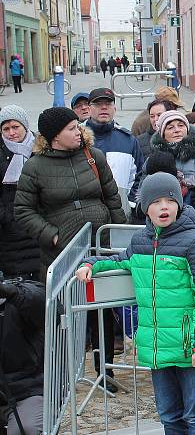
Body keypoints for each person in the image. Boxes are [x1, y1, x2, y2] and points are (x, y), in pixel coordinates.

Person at [76, 172, 195, 434]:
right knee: (169, 415)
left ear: (179, 203)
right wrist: (90, 263)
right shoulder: (140, 242)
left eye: (169, 200)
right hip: (156, 346)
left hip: (189, 345)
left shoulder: (194, 242)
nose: (163, 207)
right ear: (145, 207)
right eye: (155, 202)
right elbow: (119, 261)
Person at [15, 107, 126, 389]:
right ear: (54, 136)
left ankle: (105, 370)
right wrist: (52, 236)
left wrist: (117, 232)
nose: (78, 132)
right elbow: (23, 211)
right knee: (65, 314)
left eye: (78, 127)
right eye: (71, 129)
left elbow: (112, 197)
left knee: (101, 309)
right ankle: (64, 375)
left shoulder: (93, 156)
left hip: (98, 246)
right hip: (61, 253)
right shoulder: (35, 167)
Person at [84, 87, 144, 220]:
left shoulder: (128, 140)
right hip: (84, 216)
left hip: (121, 214)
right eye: (98, 104)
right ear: (89, 109)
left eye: (108, 104)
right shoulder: (76, 139)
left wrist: (129, 203)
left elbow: (140, 175)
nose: (104, 108)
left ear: (114, 109)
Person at [0, 277, 45, 435]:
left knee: (25, 430)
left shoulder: (16, 295)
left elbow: (48, 306)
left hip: (24, 391)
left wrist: (13, 293)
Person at [0, 106, 39, 281]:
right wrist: (6, 216)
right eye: (6, 129)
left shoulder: (40, 150)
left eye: (15, 127)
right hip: (10, 233)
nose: (11, 133)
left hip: (39, 226)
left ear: (25, 126)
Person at [149, 110, 195, 211]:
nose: (177, 130)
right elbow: (144, 191)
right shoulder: (154, 159)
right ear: (163, 134)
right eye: (170, 127)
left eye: (181, 125)